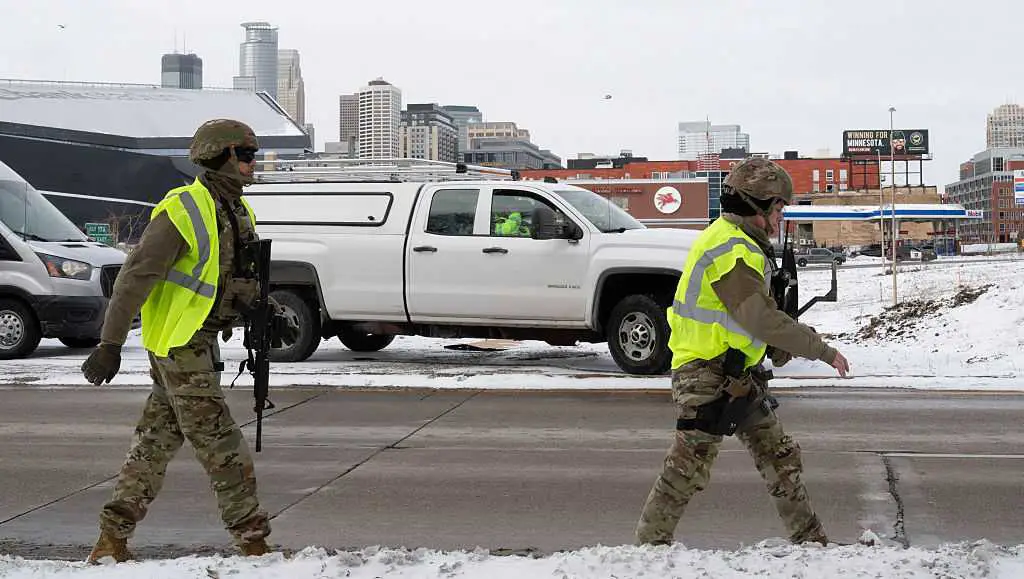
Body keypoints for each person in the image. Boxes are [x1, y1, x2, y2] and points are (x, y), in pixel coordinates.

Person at [80, 119, 299, 563]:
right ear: (221, 156)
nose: (253, 164)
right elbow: (133, 279)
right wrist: (110, 344)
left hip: (199, 341)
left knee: (155, 441)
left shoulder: (237, 211)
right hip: (180, 343)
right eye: (246, 156)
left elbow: (236, 278)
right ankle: (253, 542)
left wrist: (270, 311)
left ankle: (111, 540)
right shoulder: (183, 210)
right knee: (221, 442)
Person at [634, 157, 851, 547]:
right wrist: (820, 350)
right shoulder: (730, 249)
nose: (782, 218)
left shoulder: (741, 243)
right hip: (704, 374)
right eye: (779, 208)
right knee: (686, 468)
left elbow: (746, 317)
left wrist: (775, 348)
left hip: (736, 373)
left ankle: (812, 544)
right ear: (758, 206)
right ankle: (647, 551)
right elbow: (759, 318)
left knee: (779, 457)